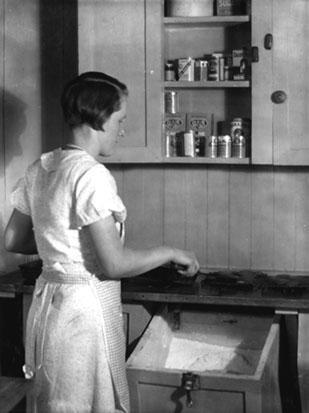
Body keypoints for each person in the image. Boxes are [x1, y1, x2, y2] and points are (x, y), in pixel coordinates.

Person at [4, 71, 199, 413]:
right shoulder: (91, 174)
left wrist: (61, 246)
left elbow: (14, 240)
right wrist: (172, 251)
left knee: (57, 401)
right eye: (120, 119)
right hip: (83, 311)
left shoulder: (42, 167)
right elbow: (115, 264)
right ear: (100, 117)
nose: (123, 130)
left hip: (49, 307)